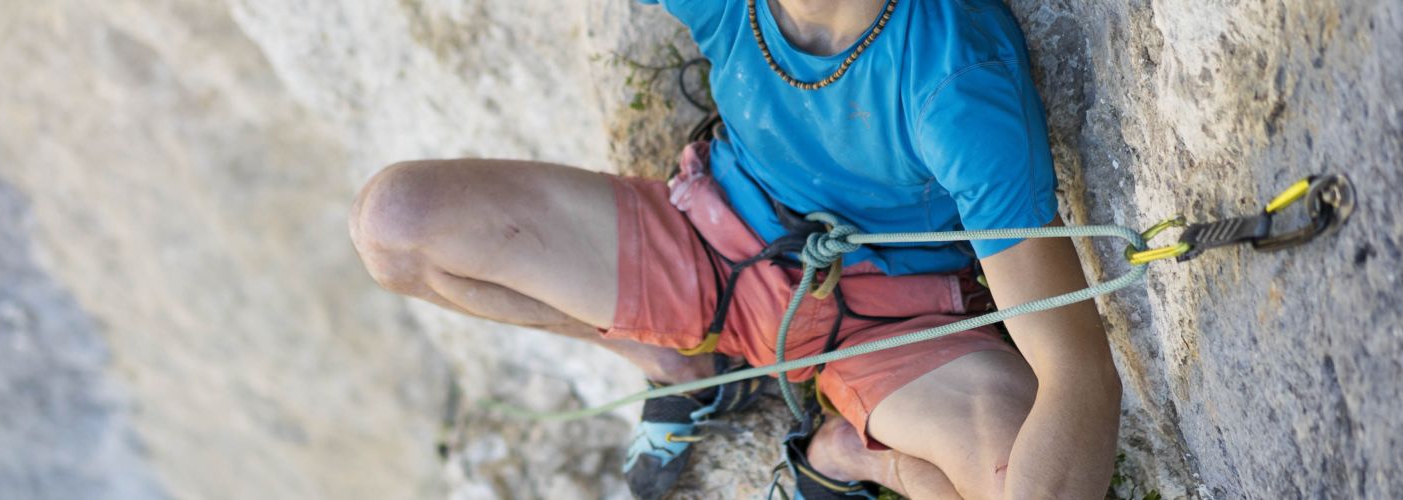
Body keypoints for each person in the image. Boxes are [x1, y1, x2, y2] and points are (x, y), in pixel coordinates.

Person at [349, 0, 1122, 497]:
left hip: (894, 326)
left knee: (1015, 479)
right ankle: (681, 366)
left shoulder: (952, 75)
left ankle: (858, 459)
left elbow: (1075, 367)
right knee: (397, 224)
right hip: (708, 242)